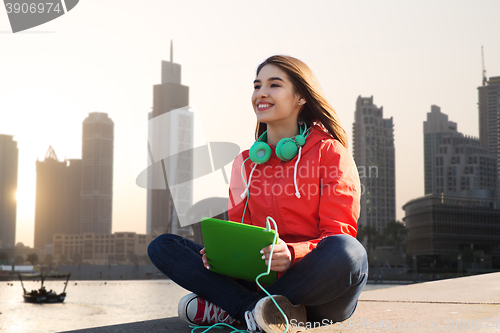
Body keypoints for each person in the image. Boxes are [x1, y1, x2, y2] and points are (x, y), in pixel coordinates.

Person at [148, 55, 368, 333]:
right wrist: (220, 257)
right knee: (163, 246)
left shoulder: (330, 152)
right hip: (262, 278)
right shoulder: (245, 163)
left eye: (274, 85)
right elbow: (241, 235)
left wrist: (290, 254)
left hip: (317, 287)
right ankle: (255, 311)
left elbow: (339, 233)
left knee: (350, 252)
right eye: (257, 85)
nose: (261, 93)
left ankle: (236, 308)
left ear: (300, 97)